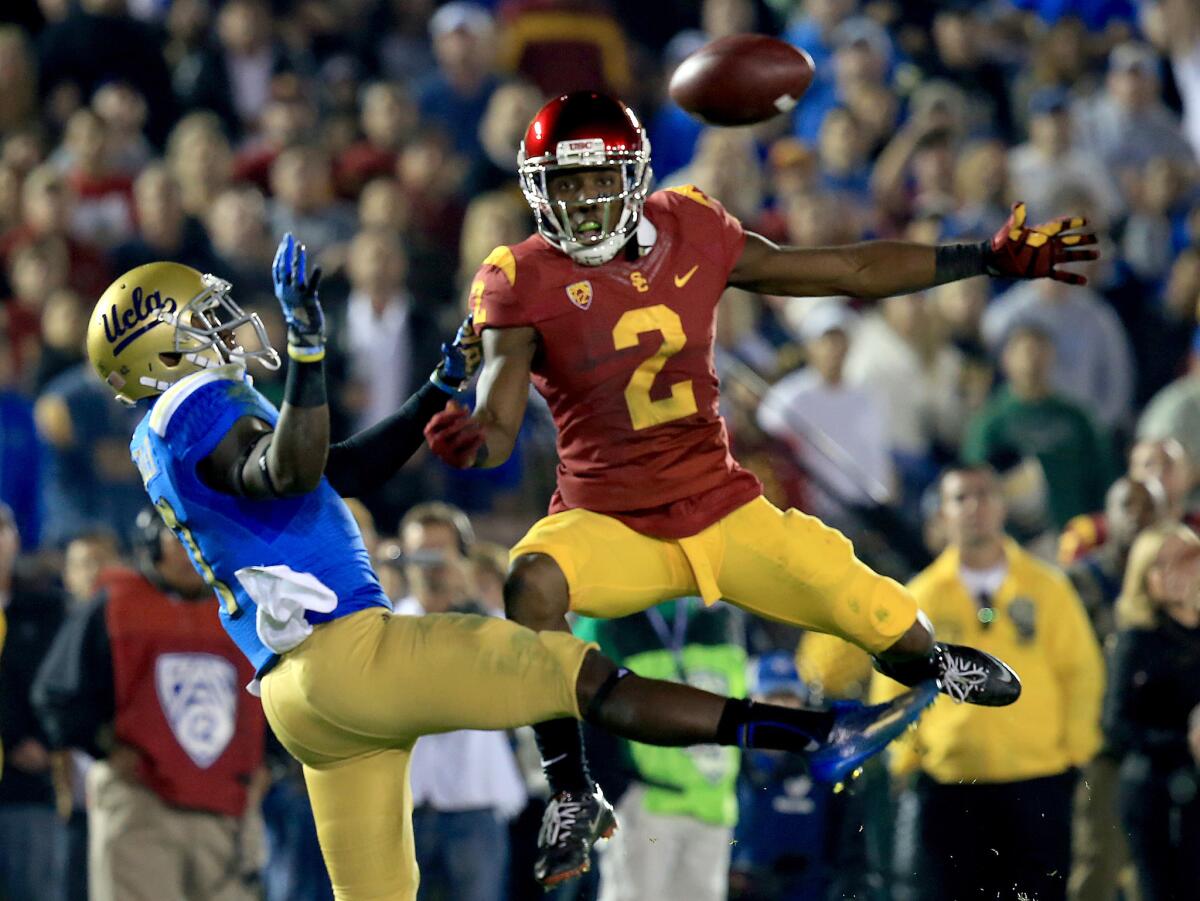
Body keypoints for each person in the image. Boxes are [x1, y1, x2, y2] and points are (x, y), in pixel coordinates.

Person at [83, 236, 937, 900]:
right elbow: (292, 470)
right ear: (163, 352)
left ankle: (588, 792)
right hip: (352, 656)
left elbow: (332, 471)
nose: (230, 327)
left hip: (299, 700)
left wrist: (427, 399)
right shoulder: (199, 405)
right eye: (205, 321)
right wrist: (310, 354)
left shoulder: (164, 436)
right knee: (577, 674)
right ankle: (815, 737)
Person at [423, 90, 1085, 885]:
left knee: (882, 618)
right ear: (536, 189)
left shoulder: (691, 226)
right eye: (562, 184)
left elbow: (845, 269)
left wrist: (979, 256)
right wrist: (475, 436)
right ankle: (572, 788)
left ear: (634, 176)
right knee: (530, 584)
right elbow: (498, 407)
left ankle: (926, 661)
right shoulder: (518, 277)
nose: (582, 201)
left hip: (722, 507)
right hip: (609, 520)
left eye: (596, 180)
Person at [874, 463, 1105, 901]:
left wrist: (1074, 752)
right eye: (961, 497)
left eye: (985, 494)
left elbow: (1082, 673)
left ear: (1002, 506)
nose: (974, 507)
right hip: (949, 788)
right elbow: (892, 688)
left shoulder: (1047, 588)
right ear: (942, 514)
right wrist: (909, 759)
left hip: (1037, 784)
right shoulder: (919, 596)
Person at [31, 508, 267, 901]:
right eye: (181, 539)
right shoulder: (115, 602)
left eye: (203, 541)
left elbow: (279, 694)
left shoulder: (246, 611)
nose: (195, 552)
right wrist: (104, 744)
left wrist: (271, 763)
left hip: (229, 803)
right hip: (141, 802)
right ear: (152, 543)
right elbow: (57, 694)